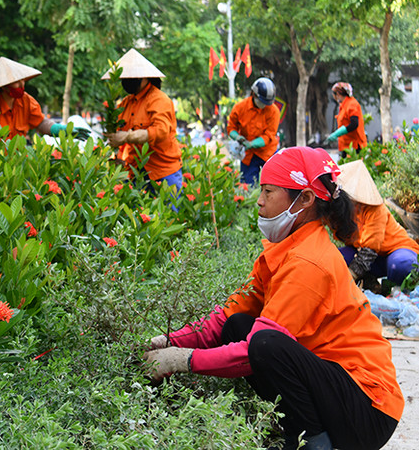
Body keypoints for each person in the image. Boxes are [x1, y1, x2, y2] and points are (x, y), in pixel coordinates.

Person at [143, 147, 403, 450]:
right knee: (238, 326)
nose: (260, 200)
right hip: (334, 382)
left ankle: (313, 441)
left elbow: (253, 353)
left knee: (265, 344)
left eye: (268, 191)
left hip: (367, 408)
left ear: (305, 199)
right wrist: (167, 341)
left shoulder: (309, 262)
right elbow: (226, 316)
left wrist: (184, 360)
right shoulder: (285, 248)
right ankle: (299, 428)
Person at [103, 48, 183, 193]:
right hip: (135, 173)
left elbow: (160, 131)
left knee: (166, 208)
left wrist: (127, 137)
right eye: (124, 77)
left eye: (132, 77)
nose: (127, 81)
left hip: (163, 172)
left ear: (146, 77)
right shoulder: (125, 104)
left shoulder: (159, 100)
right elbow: (118, 134)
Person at [335, 160, 419, 290]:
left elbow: (369, 251)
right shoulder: (343, 211)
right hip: (373, 260)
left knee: (402, 265)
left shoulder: (374, 209)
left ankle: (398, 291)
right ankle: (370, 281)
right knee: (335, 259)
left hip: (396, 250)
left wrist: (350, 278)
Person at [0, 56, 87, 140]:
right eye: (16, 82)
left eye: (23, 80)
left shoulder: (25, 101)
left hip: (17, 160)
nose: (22, 85)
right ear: (4, 86)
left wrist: (61, 129)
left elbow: (40, 122)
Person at [227, 77, 281, 185]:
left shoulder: (274, 111)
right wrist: (237, 137)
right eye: (262, 101)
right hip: (248, 155)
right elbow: (231, 128)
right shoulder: (240, 108)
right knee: (247, 186)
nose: (264, 105)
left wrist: (252, 144)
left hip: (268, 152)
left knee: (274, 184)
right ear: (254, 94)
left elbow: (269, 135)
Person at [325, 82, 367, 157]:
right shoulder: (343, 105)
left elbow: (354, 124)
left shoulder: (352, 104)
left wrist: (337, 133)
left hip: (354, 146)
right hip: (346, 145)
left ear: (338, 94)